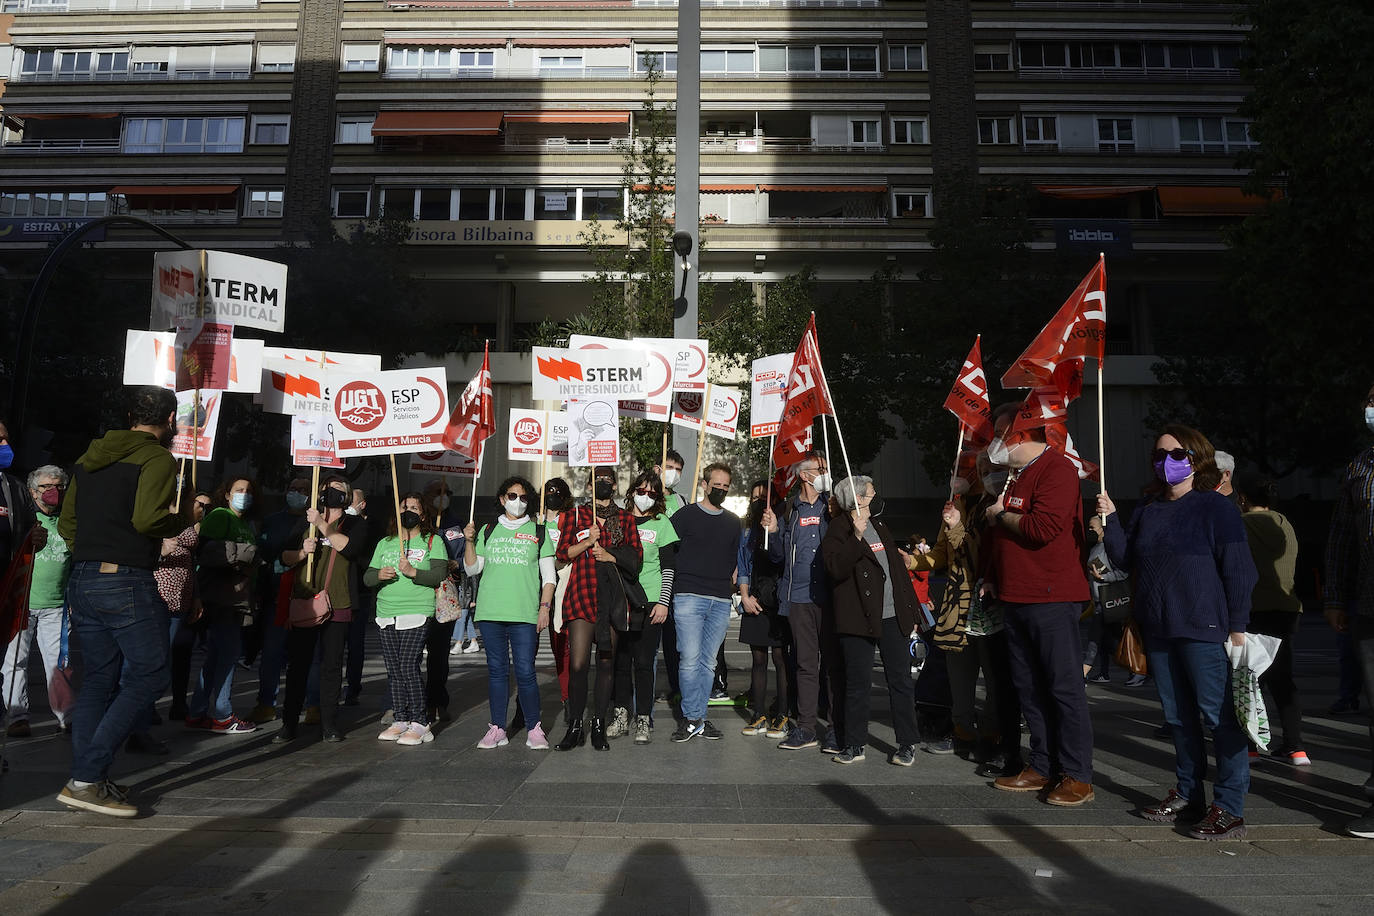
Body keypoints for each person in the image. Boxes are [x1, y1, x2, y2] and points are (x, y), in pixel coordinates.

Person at [1099, 423, 1258, 840]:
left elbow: (1239, 570)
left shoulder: (1215, 507)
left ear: (1196, 459)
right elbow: (1124, 558)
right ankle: (1189, 796)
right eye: (1159, 454)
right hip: (1159, 628)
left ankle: (1229, 807)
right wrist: (1111, 519)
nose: (1165, 461)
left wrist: (1237, 627)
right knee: (1178, 718)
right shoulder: (1149, 509)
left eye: (1176, 454)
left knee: (1219, 718)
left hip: (1204, 628)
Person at [56, 386, 184, 817]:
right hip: (126, 579)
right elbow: (148, 518)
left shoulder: (88, 458)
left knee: (98, 681)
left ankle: (86, 780)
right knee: (149, 676)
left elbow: (66, 523)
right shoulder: (157, 458)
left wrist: (90, 551)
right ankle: (87, 777)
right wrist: (184, 518)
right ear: (170, 421)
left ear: (130, 415)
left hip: (85, 578)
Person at [981, 403, 1095, 807]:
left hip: (1051, 595)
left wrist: (1000, 516)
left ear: (1021, 434)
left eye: (1000, 433)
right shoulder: (1017, 475)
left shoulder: (1057, 470)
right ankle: (1042, 764)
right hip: (1017, 595)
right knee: (1029, 686)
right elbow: (1004, 536)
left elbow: (1043, 527)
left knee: (1062, 687)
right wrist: (992, 573)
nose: (994, 441)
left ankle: (1077, 773)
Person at [906, 462, 1022, 776]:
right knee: (959, 675)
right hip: (958, 606)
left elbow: (979, 556)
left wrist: (957, 526)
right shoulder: (955, 506)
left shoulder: (997, 505)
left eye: (979, 467)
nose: (971, 473)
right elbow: (943, 553)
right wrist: (914, 560)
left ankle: (992, 737)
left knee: (995, 679)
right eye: (972, 466)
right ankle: (963, 731)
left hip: (987, 605)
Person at [823, 475, 920, 765]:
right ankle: (854, 744)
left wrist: (912, 611)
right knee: (857, 684)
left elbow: (897, 572)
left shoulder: (880, 525)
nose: (876, 497)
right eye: (872, 493)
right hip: (859, 619)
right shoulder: (838, 529)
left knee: (900, 680)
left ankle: (906, 743)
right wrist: (855, 537)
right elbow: (836, 568)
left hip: (893, 615)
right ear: (859, 499)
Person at [463, 476, 556, 749]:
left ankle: (534, 728)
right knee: (497, 672)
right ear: (503, 499)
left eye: (524, 497)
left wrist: (544, 608)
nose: (518, 502)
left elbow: (548, 577)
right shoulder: (488, 529)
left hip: (524, 613)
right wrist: (469, 541)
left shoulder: (539, 532)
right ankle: (497, 728)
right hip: (491, 612)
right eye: (512, 496)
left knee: (526, 672)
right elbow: (472, 569)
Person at [275, 474, 369, 743]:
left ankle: (329, 723)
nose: (333, 493)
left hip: (339, 601)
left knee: (331, 665)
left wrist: (322, 524)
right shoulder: (304, 522)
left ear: (348, 496)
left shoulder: (354, 524)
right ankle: (289, 722)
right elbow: (285, 556)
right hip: (306, 601)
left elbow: (349, 549)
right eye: (328, 489)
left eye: (339, 490)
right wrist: (303, 552)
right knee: (299, 665)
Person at [554, 467, 642, 751]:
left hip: (613, 599)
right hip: (581, 594)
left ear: (614, 485)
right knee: (578, 665)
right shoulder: (574, 516)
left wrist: (610, 554)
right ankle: (576, 725)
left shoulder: (627, 519)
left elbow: (635, 558)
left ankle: (598, 726)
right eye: (597, 481)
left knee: (606, 663)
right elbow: (561, 554)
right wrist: (588, 541)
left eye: (607, 481)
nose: (602, 485)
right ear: (590, 486)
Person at [762, 451, 842, 752]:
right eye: (821, 469)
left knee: (833, 665)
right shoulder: (788, 511)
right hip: (798, 599)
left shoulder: (832, 506)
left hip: (829, 598)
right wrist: (771, 533)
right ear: (806, 475)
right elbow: (778, 557)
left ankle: (836, 728)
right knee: (805, 665)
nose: (826, 473)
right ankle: (807, 728)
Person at [1323, 381, 1374, 838]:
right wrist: (1336, 597)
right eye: (1370, 403)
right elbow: (1340, 535)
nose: (1371, 409)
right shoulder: (1360, 465)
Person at [1235, 472, 1307, 765]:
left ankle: (1251, 745)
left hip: (1254, 607)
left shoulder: (1241, 524)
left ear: (1242, 498)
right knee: (1283, 678)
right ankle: (1296, 745)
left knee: (1250, 677)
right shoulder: (1284, 523)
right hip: (1287, 606)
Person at [366, 492, 448, 747]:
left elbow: (438, 574)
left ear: (423, 514)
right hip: (387, 611)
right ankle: (400, 718)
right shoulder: (385, 543)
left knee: (408, 664)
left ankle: (421, 722)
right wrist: (379, 574)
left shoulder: (432, 541)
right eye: (404, 506)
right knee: (393, 668)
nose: (408, 510)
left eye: (414, 507)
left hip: (417, 610)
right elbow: (367, 578)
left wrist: (413, 572)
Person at [668, 462, 739, 743]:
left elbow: (736, 559)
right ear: (704, 484)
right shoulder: (685, 516)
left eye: (725, 486)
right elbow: (668, 554)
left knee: (708, 663)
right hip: (688, 596)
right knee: (689, 660)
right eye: (716, 485)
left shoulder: (734, 522)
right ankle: (692, 717)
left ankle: (696, 718)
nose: (720, 490)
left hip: (721, 600)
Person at [607, 470, 679, 744]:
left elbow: (669, 568)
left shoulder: (662, 524)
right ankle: (621, 715)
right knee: (621, 662)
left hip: (650, 601)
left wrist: (663, 602)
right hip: (621, 600)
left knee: (645, 663)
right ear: (632, 490)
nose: (646, 496)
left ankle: (643, 719)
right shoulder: (618, 522)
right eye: (642, 490)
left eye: (652, 493)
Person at [185, 476, 259, 734]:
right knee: (228, 655)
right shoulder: (219, 516)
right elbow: (206, 551)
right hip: (222, 597)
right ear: (227, 494)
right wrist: (245, 554)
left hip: (235, 597)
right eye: (239, 490)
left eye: (249, 491)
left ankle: (197, 712)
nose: (244, 494)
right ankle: (223, 714)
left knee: (216, 656)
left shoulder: (244, 523)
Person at [4, 465, 73, 738]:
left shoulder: (69, 522)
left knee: (60, 664)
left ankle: (67, 716)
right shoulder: (23, 519)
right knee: (15, 662)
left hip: (57, 606)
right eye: (46, 487)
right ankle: (17, 717)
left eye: (58, 486)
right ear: (32, 492)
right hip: (21, 603)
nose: (53, 492)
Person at [251, 476, 310, 724]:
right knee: (272, 653)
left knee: (307, 656)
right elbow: (265, 551)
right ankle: (266, 703)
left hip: (306, 596)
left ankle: (311, 703)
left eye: (302, 490)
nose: (295, 492)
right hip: (277, 595)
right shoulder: (273, 521)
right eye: (292, 488)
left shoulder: (315, 521)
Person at [737, 489, 790, 737]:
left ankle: (782, 714)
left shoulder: (783, 527)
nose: (761, 502)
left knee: (780, 660)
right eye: (757, 497)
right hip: (755, 600)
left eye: (767, 497)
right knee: (758, 660)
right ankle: (758, 713)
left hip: (778, 602)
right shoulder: (748, 533)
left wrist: (775, 531)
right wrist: (745, 597)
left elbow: (781, 560)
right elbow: (743, 566)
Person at [157, 491, 207, 725]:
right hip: (160, 598)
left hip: (183, 600)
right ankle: (144, 708)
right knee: (159, 657)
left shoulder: (187, 525)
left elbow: (190, 562)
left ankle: (178, 703)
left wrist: (195, 596)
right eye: (197, 503)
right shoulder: (156, 520)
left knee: (181, 654)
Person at [1082, 513, 1140, 686]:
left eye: (1092, 527)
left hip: (1110, 603)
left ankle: (1083, 674)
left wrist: (1102, 578)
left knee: (1095, 640)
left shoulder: (1109, 547)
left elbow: (1123, 573)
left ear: (1102, 527)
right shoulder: (1096, 547)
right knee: (1108, 642)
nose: (1090, 530)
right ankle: (1128, 670)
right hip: (1101, 602)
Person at [420, 479, 461, 720]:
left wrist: (458, 563)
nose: (442, 496)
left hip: (444, 596)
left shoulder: (456, 523)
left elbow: (466, 558)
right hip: (418, 593)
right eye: (437, 493)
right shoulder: (419, 522)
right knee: (411, 652)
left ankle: (437, 700)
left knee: (438, 653)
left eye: (447, 492)